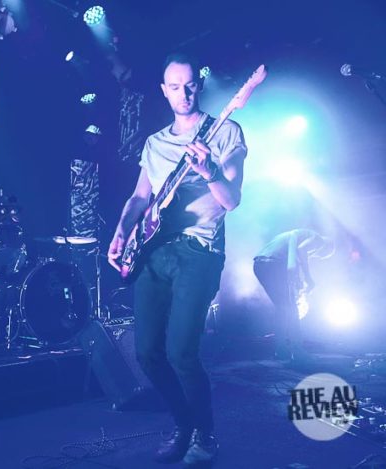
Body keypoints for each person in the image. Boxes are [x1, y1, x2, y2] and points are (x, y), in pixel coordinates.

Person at [107, 53, 248, 464]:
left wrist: (209, 171)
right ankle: (184, 425)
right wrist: (121, 232)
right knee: (147, 353)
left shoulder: (226, 131)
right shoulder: (155, 143)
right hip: (154, 250)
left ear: (198, 86)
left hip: (199, 250)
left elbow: (231, 200)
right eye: (174, 87)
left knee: (182, 353)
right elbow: (140, 196)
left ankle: (206, 434)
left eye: (189, 86)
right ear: (163, 91)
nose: (183, 93)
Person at [253, 229, 334, 361]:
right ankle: (298, 351)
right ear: (324, 248)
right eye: (319, 255)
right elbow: (302, 250)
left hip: (260, 265)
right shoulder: (318, 238)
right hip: (274, 264)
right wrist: (308, 277)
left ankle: (281, 350)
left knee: (282, 308)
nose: (314, 255)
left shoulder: (296, 236)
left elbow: (292, 257)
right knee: (291, 309)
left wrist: (297, 280)